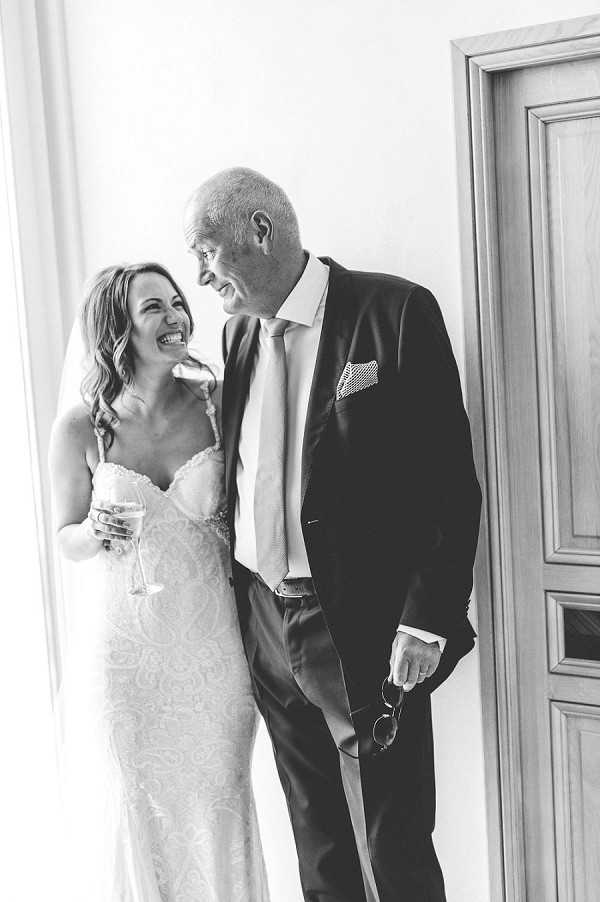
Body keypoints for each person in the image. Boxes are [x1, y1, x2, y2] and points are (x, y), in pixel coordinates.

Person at [183, 168, 482, 902]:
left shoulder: (394, 311)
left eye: (207, 250)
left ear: (260, 229)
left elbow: (449, 482)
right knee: (317, 839)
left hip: (367, 620)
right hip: (265, 616)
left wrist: (426, 616)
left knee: (396, 838)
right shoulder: (236, 335)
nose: (200, 274)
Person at [49, 262, 269, 902]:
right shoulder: (80, 427)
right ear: (118, 326)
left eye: (177, 302)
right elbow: (65, 539)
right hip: (124, 660)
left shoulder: (217, 401)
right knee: (136, 814)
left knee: (216, 805)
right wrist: (95, 530)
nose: (177, 316)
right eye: (155, 307)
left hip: (214, 656)